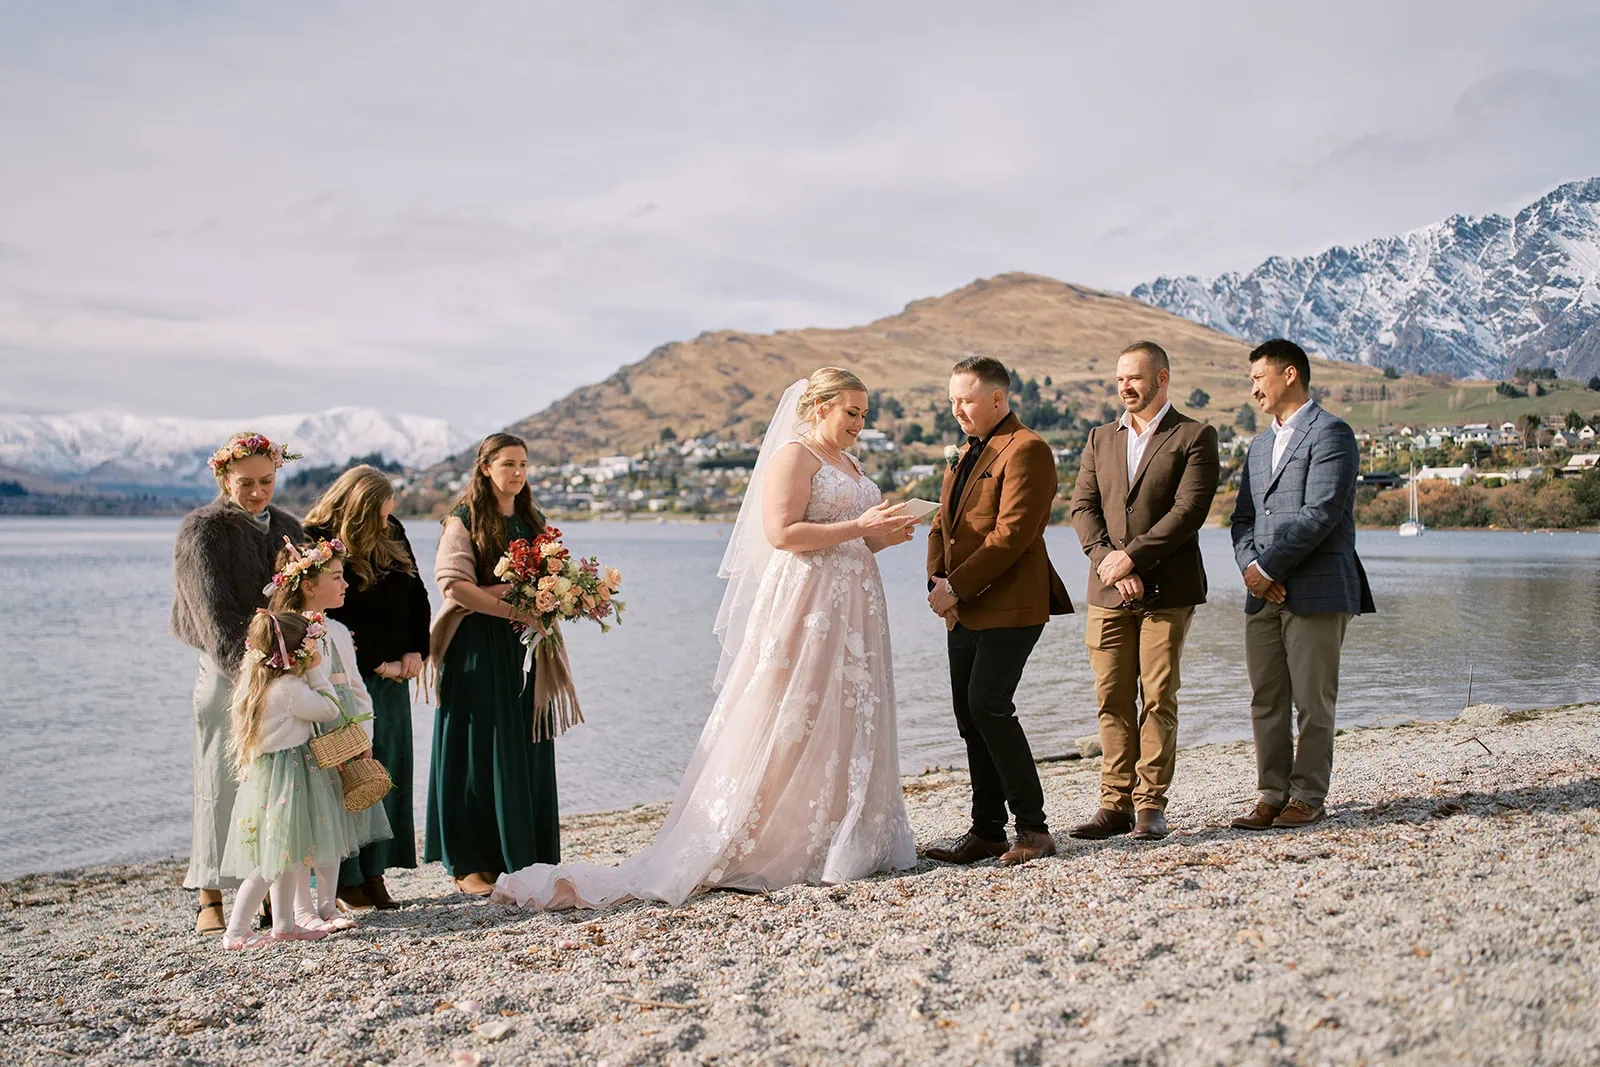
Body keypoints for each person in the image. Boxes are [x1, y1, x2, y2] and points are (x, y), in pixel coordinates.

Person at [492, 368, 919, 911]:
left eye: (863, 413)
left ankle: (846, 831)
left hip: (857, 603)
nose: (860, 423)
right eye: (851, 412)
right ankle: (776, 838)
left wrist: (884, 534)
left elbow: (854, 541)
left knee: (848, 709)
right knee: (795, 710)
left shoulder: (852, 465)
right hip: (809, 603)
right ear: (817, 407)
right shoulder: (795, 456)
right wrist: (860, 529)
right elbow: (782, 534)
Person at [922, 355, 1073, 867]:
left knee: (990, 705)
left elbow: (1011, 536)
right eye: (951, 401)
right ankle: (986, 831)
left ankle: (1034, 828)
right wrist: (936, 581)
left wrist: (956, 587)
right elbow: (942, 525)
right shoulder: (964, 453)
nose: (957, 410)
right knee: (970, 717)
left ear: (997, 398)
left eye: (965, 400)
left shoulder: (1028, 449)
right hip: (961, 606)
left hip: (1012, 604)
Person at [1067, 341, 1219, 842]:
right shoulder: (1098, 438)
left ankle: (1150, 804)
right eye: (1119, 380)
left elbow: (1188, 511)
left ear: (1162, 378)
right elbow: (1082, 509)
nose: (1125, 387)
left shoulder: (1195, 436)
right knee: (1110, 698)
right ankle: (1113, 804)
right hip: (1107, 591)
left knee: (1157, 697)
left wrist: (1133, 557)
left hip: (1166, 592)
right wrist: (1109, 562)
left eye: (1134, 378)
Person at [1228, 339, 1374, 831]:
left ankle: (1308, 796)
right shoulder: (1260, 445)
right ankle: (1271, 794)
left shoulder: (1332, 433)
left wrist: (1267, 570)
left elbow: (1322, 513)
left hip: (1318, 588)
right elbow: (1242, 518)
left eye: (1257, 378)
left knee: (1313, 700)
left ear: (1289, 375)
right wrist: (1253, 569)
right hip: (1262, 592)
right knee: (1266, 698)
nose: (1253, 389)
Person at [171, 432, 303, 933]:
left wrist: (297, 662)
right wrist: (255, 673)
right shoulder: (201, 531)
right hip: (226, 672)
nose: (257, 492)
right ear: (223, 478)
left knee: (270, 784)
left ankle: (264, 886)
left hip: (282, 673)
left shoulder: (290, 528)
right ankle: (208, 893)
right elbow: (213, 617)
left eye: (266, 481)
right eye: (245, 483)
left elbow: (301, 601)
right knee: (218, 780)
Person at [425, 434, 563, 896]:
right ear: (485, 468)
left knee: (525, 741)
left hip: (524, 647)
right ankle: (470, 864)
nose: (518, 473)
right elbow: (454, 587)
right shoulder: (463, 520)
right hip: (477, 647)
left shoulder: (531, 518)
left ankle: (522, 855)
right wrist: (512, 608)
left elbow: (551, 575)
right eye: (508, 464)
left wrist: (561, 595)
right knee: (479, 745)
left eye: (524, 464)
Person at [302, 465, 431, 910]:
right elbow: (335, 610)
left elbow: (418, 594)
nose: (385, 521)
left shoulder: (392, 530)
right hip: (344, 675)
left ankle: (376, 873)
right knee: (344, 771)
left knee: (384, 771)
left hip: (397, 677)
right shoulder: (317, 536)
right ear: (358, 508)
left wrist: (418, 650)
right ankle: (345, 879)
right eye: (378, 513)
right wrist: (379, 662)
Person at [266, 537, 390, 931]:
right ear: (307, 585)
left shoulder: (336, 630)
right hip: (302, 738)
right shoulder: (286, 631)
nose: (345, 585)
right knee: (304, 823)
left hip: (340, 734)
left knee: (333, 820)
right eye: (337, 577)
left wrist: (364, 735)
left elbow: (355, 687)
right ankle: (301, 909)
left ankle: (327, 904)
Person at [218, 610, 349, 949]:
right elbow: (329, 708)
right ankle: (235, 932)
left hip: (273, 778)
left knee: (287, 857)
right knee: (270, 863)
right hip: (289, 778)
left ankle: (285, 925)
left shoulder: (259, 683)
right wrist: (317, 672)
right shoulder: (289, 688)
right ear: (297, 654)